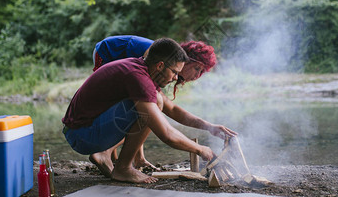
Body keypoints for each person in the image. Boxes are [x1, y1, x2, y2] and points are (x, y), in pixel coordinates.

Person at [62, 38, 236, 183]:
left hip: (82, 131)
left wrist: (210, 127)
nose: (176, 78)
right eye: (175, 72)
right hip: (83, 137)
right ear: (160, 65)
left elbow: (173, 109)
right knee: (153, 106)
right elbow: (166, 133)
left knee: (156, 102)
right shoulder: (138, 78)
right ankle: (123, 168)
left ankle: (117, 161)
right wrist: (202, 150)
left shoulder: (141, 68)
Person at [92, 35, 218, 168]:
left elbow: (171, 109)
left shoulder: (165, 64)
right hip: (108, 53)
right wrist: (200, 148)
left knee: (147, 107)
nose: (197, 75)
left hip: (123, 61)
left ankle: (134, 159)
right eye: (197, 68)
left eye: (202, 72)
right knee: (148, 107)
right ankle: (104, 152)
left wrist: (209, 126)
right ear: (186, 60)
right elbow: (164, 112)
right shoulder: (160, 61)